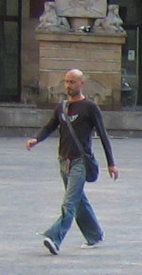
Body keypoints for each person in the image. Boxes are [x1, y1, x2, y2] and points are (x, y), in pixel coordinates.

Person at [26, 69, 118, 255]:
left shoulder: (90, 107)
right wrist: (36, 139)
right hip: (64, 161)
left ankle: (55, 237)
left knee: (69, 203)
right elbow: (50, 126)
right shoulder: (62, 107)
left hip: (80, 162)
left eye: (72, 82)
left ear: (81, 84)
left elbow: (103, 134)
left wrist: (111, 163)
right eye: (66, 82)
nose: (68, 86)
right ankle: (94, 235)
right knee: (79, 201)